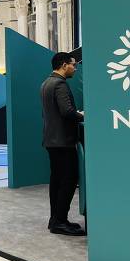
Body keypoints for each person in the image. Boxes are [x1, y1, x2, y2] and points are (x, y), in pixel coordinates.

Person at [41, 52, 85, 236]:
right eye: (73, 65)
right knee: (67, 180)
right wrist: (82, 115)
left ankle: (56, 219)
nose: (75, 68)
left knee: (57, 181)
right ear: (63, 65)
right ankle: (59, 221)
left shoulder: (46, 83)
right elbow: (67, 111)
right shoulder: (60, 84)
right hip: (63, 141)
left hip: (52, 140)